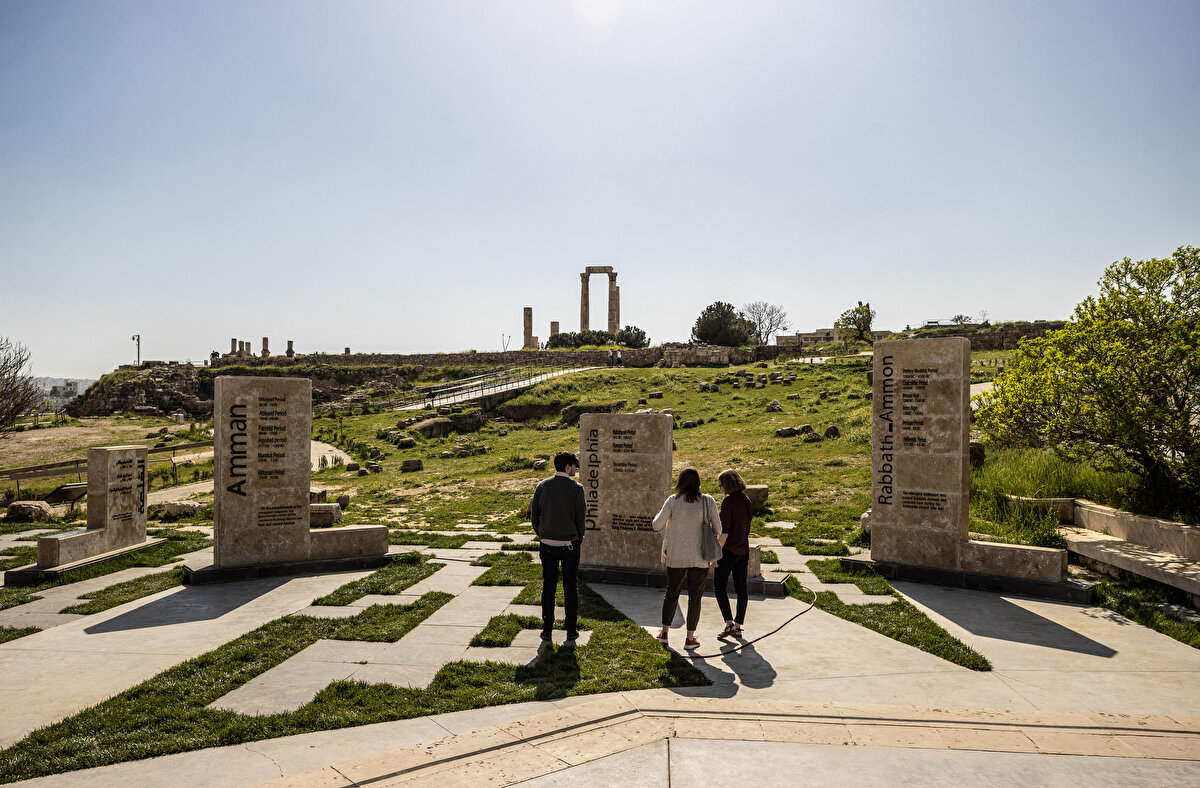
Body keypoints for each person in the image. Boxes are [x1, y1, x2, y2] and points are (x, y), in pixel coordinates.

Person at [652, 467, 721, 649]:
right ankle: (690, 638)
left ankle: (664, 632)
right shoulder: (708, 501)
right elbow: (719, 529)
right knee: (695, 597)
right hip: (700, 557)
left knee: (671, 593)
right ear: (698, 482)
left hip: (676, 556)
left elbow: (656, 525)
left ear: (680, 482)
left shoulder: (673, 501)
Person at [529, 451, 586, 643]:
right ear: (568, 466)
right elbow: (581, 519)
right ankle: (571, 629)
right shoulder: (577, 489)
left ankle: (547, 629)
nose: (576, 469)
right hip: (570, 544)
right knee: (570, 586)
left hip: (547, 544)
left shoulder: (542, 486)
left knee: (549, 586)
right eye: (574, 466)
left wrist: (542, 533)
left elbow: (534, 514)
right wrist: (578, 538)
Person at [714, 469, 752, 638]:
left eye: (720, 484)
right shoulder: (746, 499)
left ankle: (728, 623)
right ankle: (738, 625)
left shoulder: (728, 502)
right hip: (743, 550)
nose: (719, 487)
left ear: (726, 484)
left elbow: (725, 531)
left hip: (728, 551)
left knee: (719, 586)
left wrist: (716, 554)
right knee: (741, 588)